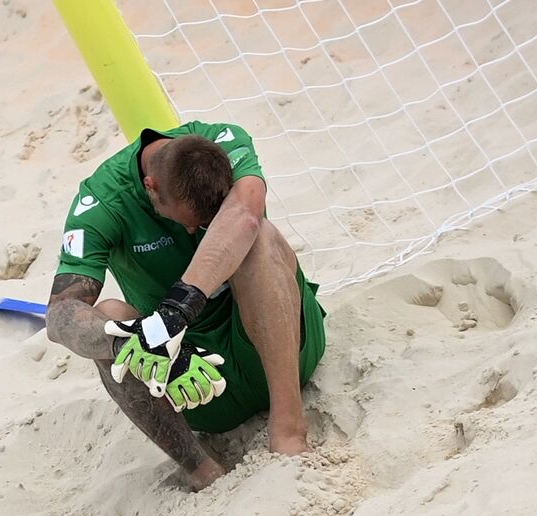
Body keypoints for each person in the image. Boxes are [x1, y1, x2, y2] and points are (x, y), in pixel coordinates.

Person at [45, 120, 327, 490]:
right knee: (111, 319)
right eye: (189, 223)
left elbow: (243, 213)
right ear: (151, 187)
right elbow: (59, 316)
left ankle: (289, 431)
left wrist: (177, 309)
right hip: (192, 379)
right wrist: (136, 338)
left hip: (285, 347)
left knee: (259, 236)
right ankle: (202, 471)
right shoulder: (101, 202)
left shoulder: (226, 140)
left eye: (206, 222)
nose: (193, 231)